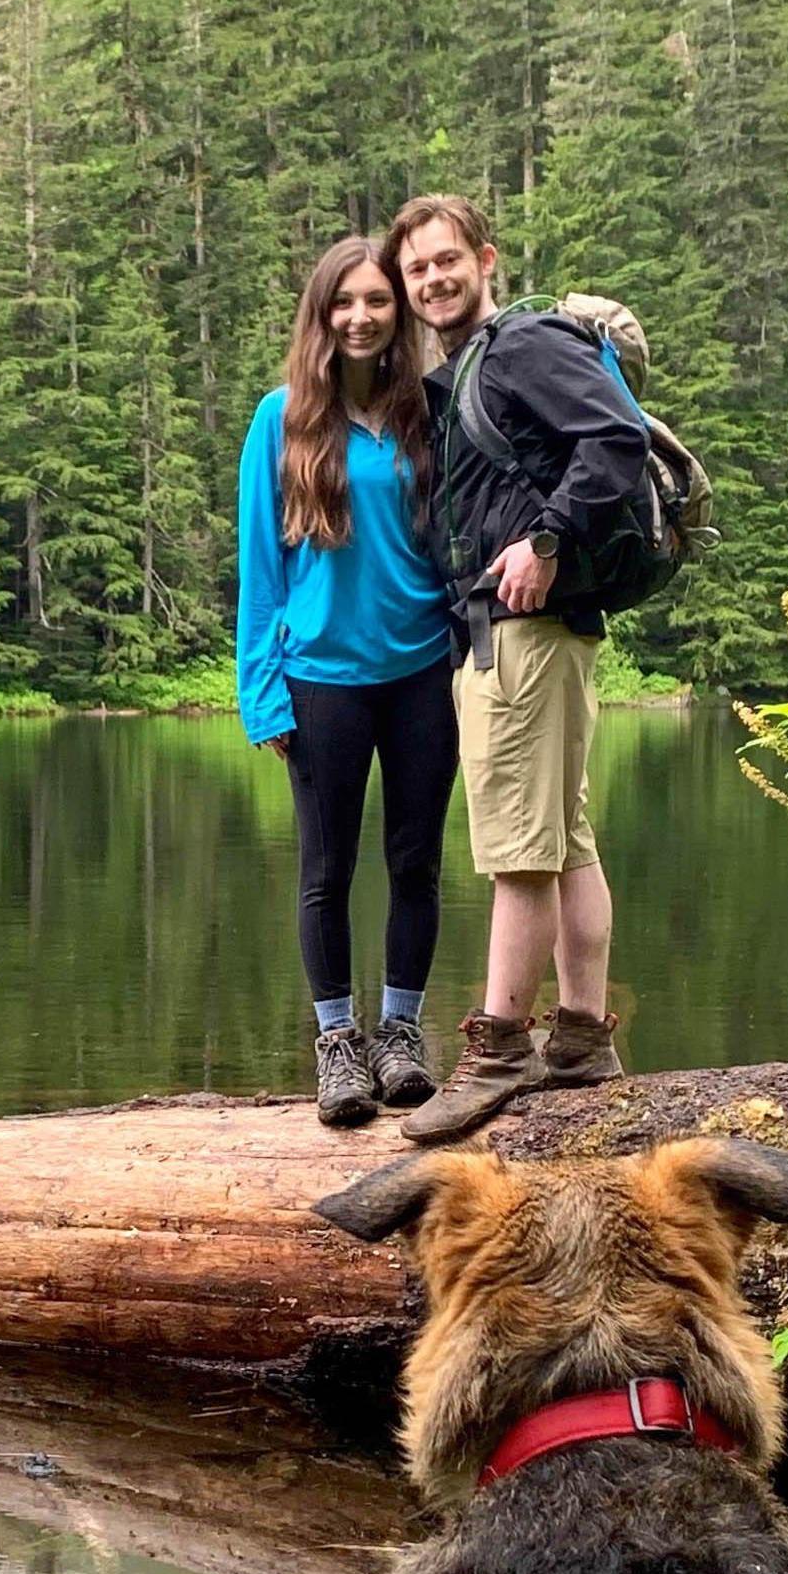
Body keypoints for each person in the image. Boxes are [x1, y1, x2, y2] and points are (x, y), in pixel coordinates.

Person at [383, 192, 649, 1144]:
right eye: (417, 270)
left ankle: (499, 1050)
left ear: (484, 258)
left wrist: (545, 538)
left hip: (523, 630)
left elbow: (616, 440)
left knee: (517, 850)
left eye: (447, 260)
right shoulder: (468, 372)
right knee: (566, 837)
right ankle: (580, 1037)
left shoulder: (523, 346)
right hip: (532, 633)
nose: (433, 280)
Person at [236, 236, 461, 1128]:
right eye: (345, 303)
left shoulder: (426, 413)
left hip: (422, 672)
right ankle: (338, 1043)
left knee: (416, 863)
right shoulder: (281, 417)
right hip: (319, 676)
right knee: (325, 870)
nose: (362, 318)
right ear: (322, 314)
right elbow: (259, 562)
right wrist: (262, 688)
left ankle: (400, 1033)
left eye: (378, 302)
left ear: (398, 315)